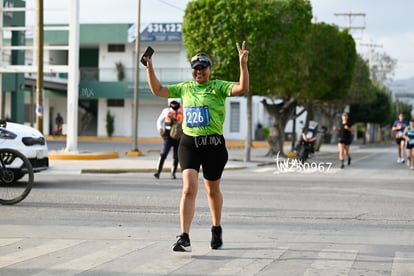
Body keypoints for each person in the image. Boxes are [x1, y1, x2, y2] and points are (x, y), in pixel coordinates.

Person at [143, 41, 249, 252]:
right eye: (195, 68)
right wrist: (150, 68)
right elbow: (158, 90)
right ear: (192, 71)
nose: (199, 71)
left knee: (212, 190)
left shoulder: (218, 86)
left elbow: (241, 88)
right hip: (189, 143)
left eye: (203, 68)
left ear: (209, 70)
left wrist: (243, 64)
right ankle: (185, 237)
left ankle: (216, 228)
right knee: (188, 188)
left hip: (214, 145)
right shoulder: (185, 87)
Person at [154, 99, 184, 179]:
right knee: (163, 154)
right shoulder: (166, 111)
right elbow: (159, 121)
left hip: (179, 136)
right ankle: (158, 171)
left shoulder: (183, 111)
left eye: (175, 103)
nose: (174, 105)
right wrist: (160, 129)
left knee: (176, 156)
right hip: (168, 136)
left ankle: (173, 173)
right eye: (172, 103)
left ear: (179, 103)